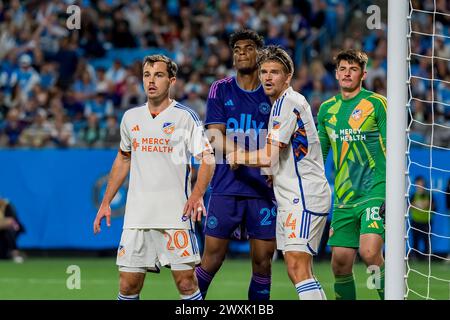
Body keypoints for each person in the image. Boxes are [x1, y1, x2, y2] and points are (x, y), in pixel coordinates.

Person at [93, 54, 215, 300]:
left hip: (175, 215)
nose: (151, 81)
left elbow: (208, 159)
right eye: (146, 75)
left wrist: (197, 195)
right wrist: (106, 202)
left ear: (171, 81)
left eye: (158, 75)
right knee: (128, 285)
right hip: (138, 215)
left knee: (186, 283)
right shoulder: (131, 117)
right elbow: (123, 158)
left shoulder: (185, 117)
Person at [228, 45, 331, 300]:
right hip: (292, 196)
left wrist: (237, 156)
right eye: (263, 71)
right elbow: (275, 158)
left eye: (275, 72)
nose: (267, 77)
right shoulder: (279, 105)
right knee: (299, 268)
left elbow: (268, 155)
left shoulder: (289, 102)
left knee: (297, 265)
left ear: (288, 77)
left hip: (303, 196)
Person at [196, 29, 277, 300]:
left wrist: (250, 160)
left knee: (263, 262)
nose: (242, 53)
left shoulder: (273, 94)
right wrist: (242, 154)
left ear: (259, 53)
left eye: (248, 48)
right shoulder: (220, 88)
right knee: (212, 259)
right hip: (226, 185)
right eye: (237, 49)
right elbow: (215, 134)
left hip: (263, 189)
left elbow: (281, 139)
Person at [317, 49, 387, 300]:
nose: (347, 73)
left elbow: (393, 146)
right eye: (343, 69)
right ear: (336, 74)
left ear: (363, 74)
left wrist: (393, 190)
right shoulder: (326, 110)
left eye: (353, 69)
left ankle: (388, 294)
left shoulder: (376, 103)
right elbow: (318, 155)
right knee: (340, 263)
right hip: (344, 197)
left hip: (374, 190)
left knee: (369, 254)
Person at [409, 176, 435, 260]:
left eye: (421, 183)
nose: (420, 185)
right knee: (415, 240)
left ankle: (427, 257)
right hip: (415, 221)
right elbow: (409, 206)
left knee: (427, 241)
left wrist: (425, 205)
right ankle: (415, 257)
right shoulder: (413, 195)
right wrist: (416, 205)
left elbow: (433, 207)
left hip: (426, 221)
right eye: (418, 183)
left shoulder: (429, 195)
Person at [0, 197, 25, 263]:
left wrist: (3, 223)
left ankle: (15, 253)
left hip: (13, 229)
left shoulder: (7, 205)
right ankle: (8, 253)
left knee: (9, 231)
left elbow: (10, 221)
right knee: (3, 255)